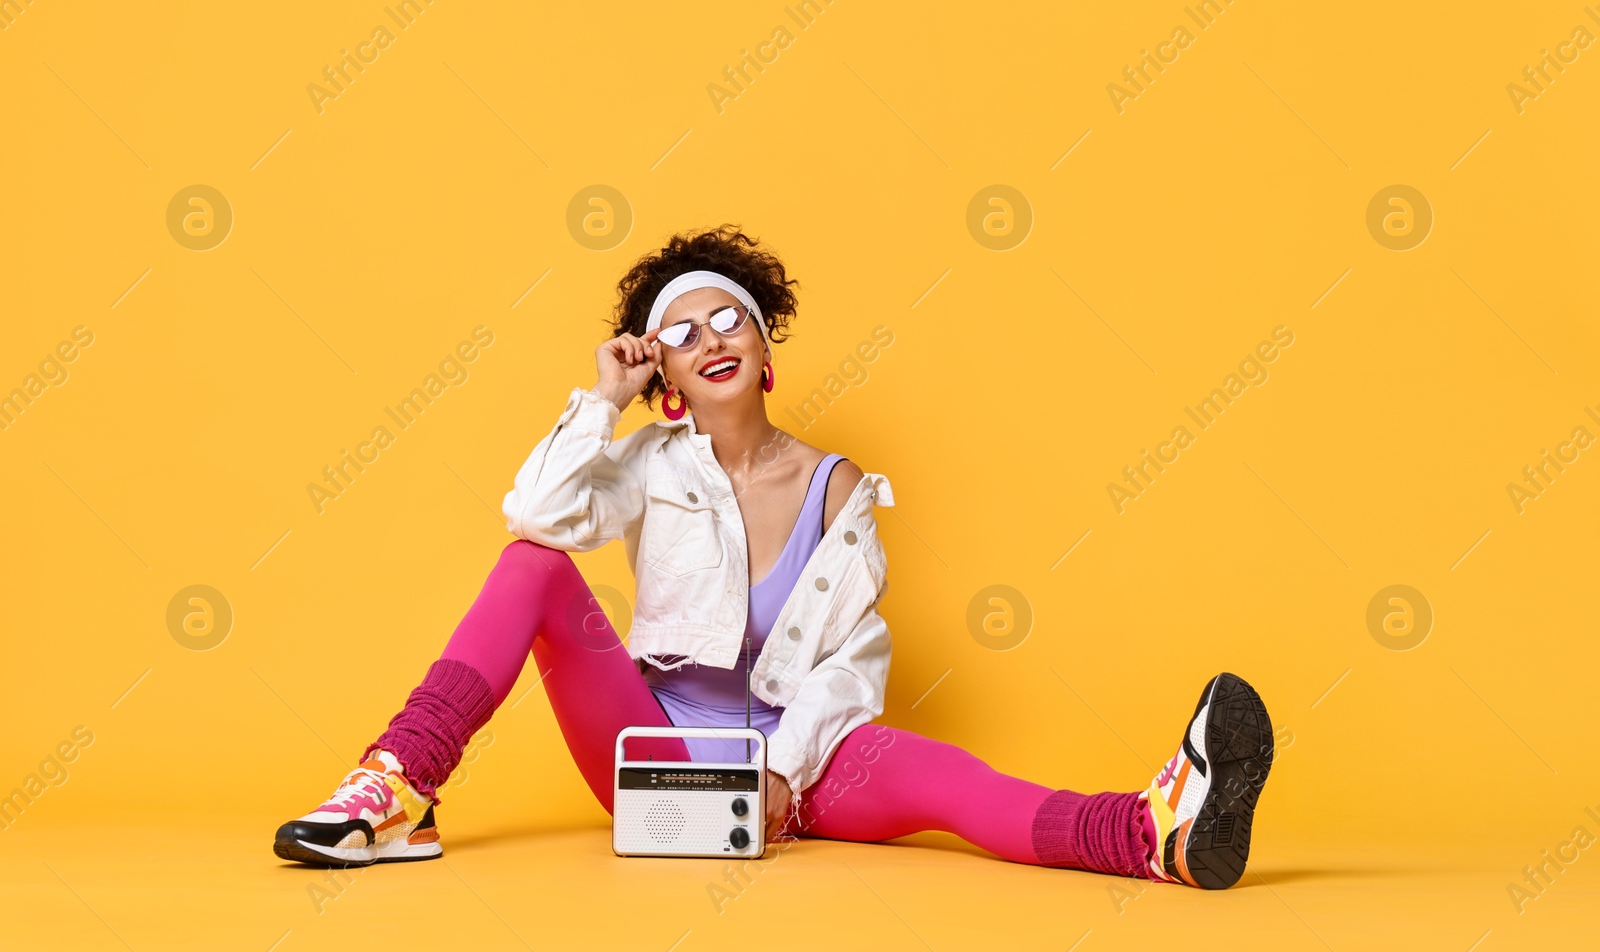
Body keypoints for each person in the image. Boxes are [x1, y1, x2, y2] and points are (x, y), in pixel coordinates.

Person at [272, 225, 1274, 889]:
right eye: (679, 332)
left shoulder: (841, 486)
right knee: (530, 564)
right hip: (656, 758)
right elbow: (534, 509)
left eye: (727, 318)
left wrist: (786, 774)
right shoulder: (646, 463)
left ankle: (1156, 835)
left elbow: (853, 660)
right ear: (662, 369)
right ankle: (396, 787)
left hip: (799, 759)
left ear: (761, 343)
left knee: (948, 781)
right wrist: (600, 399)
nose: (709, 336)